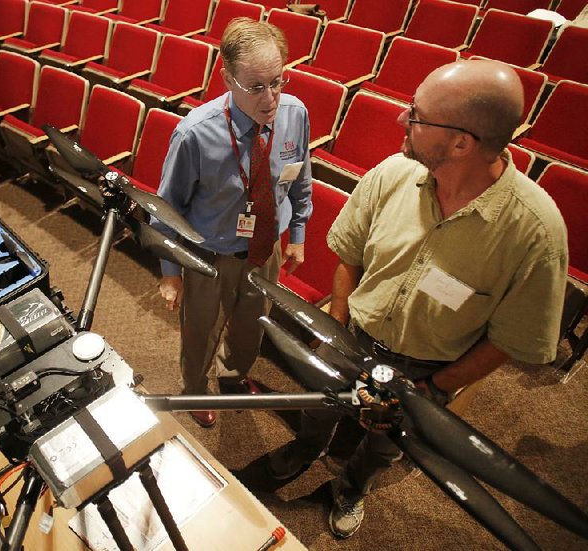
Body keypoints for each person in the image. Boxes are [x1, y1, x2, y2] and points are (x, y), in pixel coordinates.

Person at [266, 59, 568, 538]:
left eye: (417, 114)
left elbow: (515, 338)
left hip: (425, 369)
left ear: (461, 142)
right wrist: (338, 322)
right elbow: (350, 254)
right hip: (352, 333)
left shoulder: (535, 233)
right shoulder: (392, 174)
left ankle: (352, 487)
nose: (401, 120)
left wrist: (439, 387)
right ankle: (305, 449)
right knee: (319, 403)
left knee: (384, 445)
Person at [152, 18, 313, 428]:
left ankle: (234, 374)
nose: (271, 97)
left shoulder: (295, 115)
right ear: (227, 78)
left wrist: (297, 234)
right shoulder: (194, 134)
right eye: (256, 86)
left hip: (264, 248)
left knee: (251, 323)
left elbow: (301, 174)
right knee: (199, 331)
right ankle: (193, 390)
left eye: (278, 81)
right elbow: (167, 207)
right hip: (208, 253)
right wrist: (170, 272)